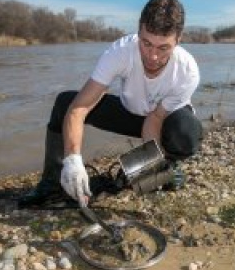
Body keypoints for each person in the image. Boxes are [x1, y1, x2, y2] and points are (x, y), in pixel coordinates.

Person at [18, 0, 202, 209]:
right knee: (65, 102)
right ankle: (53, 183)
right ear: (138, 31)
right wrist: (73, 159)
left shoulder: (187, 71)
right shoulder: (120, 51)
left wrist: (152, 167)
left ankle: (170, 166)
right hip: (130, 112)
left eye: (163, 48)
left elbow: (155, 118)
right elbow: (79, 109)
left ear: (178, 39)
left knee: (186, 130)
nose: (152, 56)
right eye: (146, 43)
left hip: (164, 119)